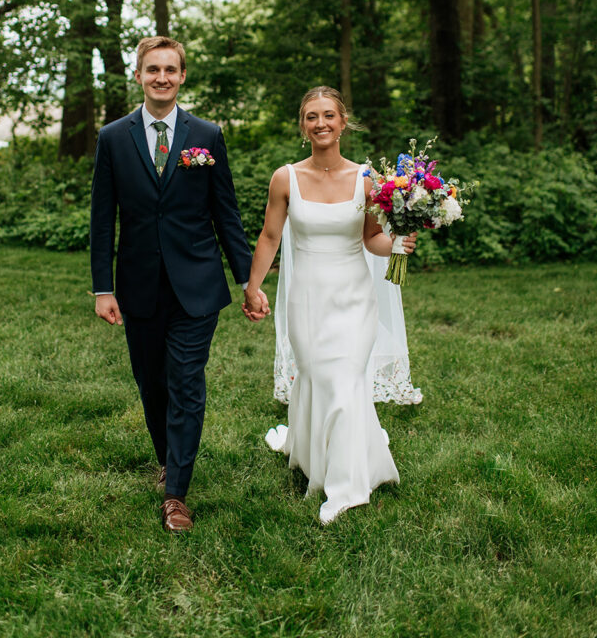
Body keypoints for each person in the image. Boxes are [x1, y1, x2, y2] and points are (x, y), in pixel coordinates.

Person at [90, 36, 268, 534]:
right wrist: (103, 287)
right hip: (138, 285)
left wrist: (248, 281)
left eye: (171, 69)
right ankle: (169, 457)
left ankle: (176, 495)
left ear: (183, 76)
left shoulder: (206, 135)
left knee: (186, 382)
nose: (162, 77)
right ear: (139, 76)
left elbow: (225, 213)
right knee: (152, 383)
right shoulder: (112, 137)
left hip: (197, 285)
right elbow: (103, 219)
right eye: (153, 70)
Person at [243, 86, 417, 524]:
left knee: (343, 382)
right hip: (306, 298)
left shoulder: (366, 180)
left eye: (328, 116)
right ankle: (309, 452)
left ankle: (345, 488)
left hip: (354, 297)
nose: (320, 123)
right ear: (303, 127)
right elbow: (270, 237)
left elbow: (371, 240)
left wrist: (397, 242)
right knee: (317, 379)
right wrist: (253, 286)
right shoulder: (285, 177)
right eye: (310, 117)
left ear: (343, 123)